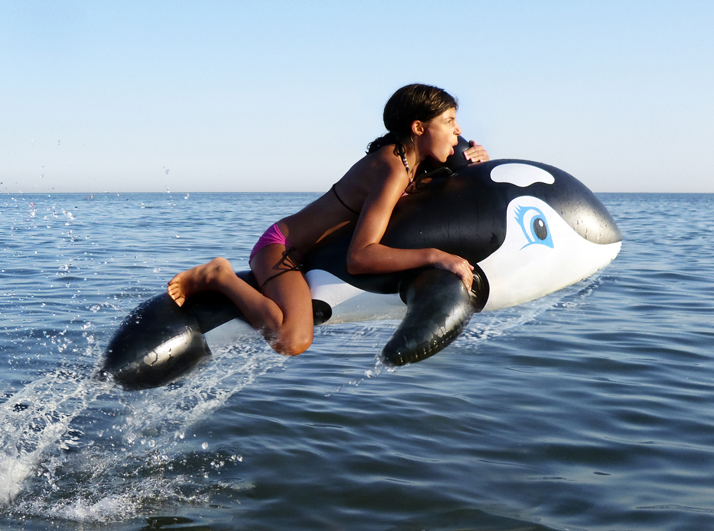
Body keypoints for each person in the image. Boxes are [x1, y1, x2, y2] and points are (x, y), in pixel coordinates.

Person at [167, 84, 489, 356]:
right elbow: (361, 256)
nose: (458, 131)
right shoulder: (392, 168)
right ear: (419, 128)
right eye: (449, 121)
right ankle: (219, 275)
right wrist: (438, 257)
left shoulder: (409, 165)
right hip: (283, 250)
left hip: (309, 257)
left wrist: (478, 163)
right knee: (291, 340)